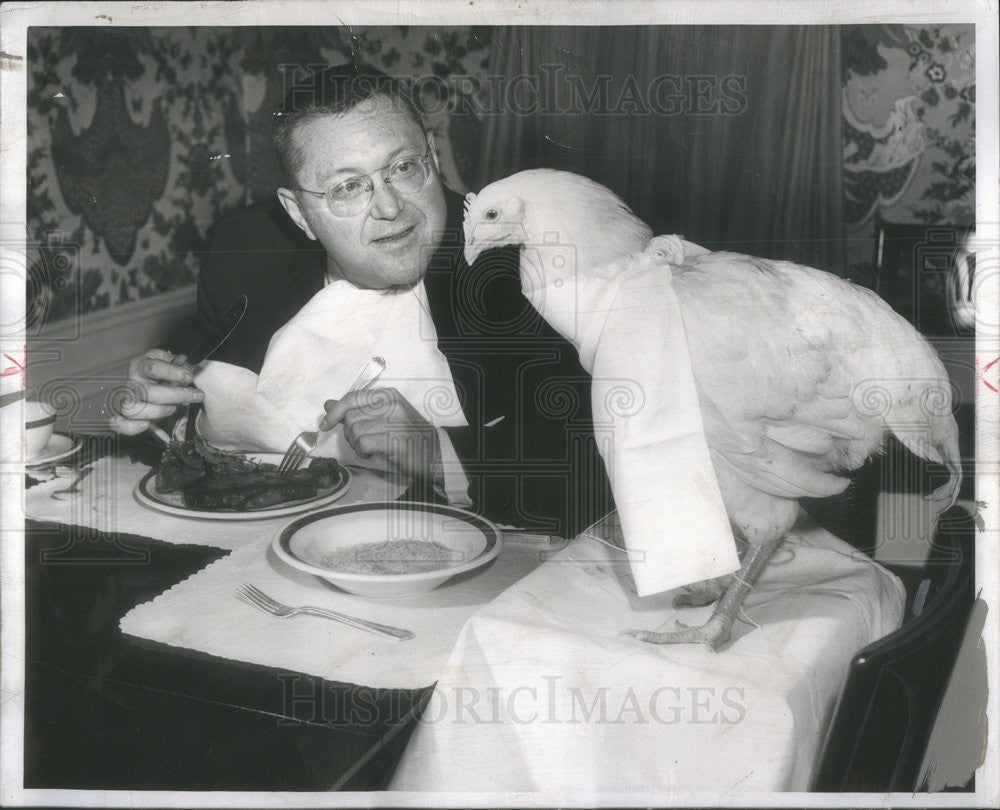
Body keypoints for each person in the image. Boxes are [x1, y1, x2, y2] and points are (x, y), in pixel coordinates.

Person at [112, 64, 611, 536]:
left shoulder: (521, 259)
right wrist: (162, 413)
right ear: (300, 214)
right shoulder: (243, 256)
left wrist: (437, 453)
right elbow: (221, 421)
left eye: (403, 167)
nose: (390, 206)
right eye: (348, 187)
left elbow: (612, 468)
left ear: (433, 159)